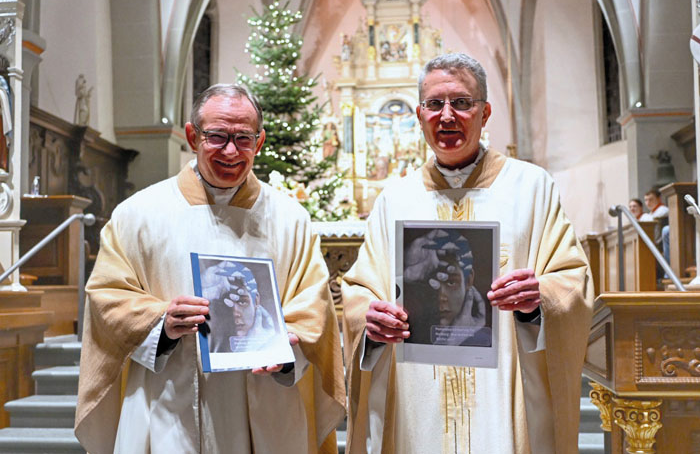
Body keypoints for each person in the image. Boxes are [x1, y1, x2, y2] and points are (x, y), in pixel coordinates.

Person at [342, 53, 593, 454]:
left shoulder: (531, 188)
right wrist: (369, 318)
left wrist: (537, 298)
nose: (447, 116)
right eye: (434, 104)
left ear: (485, 112)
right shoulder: (395, 199)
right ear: (419, 114)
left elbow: (572, 281)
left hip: (506, 390)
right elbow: (360, 291)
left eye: (461, 103)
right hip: (415, 395)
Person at [75, 84, 345, 454]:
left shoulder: (290, 220)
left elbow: (314, 306)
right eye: (217, 136)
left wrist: (287, 350)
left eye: (243, 138)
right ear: (192, 136)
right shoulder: (139, 215)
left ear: (260, 141)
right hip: (170, 404)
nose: (231, 151)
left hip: (266, 408)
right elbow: (107, 296)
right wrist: (162, 323)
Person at [402, 229, 488, 346]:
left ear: (468, 280)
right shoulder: (405, 339)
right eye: (428, 283)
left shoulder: (487, 341)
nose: (441, 297)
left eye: (451, 282)